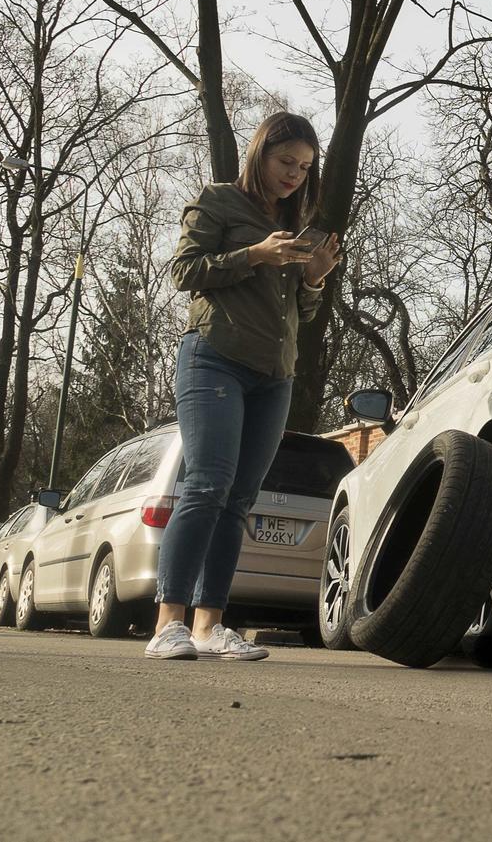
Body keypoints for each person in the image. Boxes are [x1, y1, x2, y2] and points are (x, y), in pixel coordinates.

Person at [147, 112, 342, 661]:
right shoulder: (218, 201)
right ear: (261, 153)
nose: (294, 176)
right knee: (207, 483)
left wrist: (312, 277)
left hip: (274, 375)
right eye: (286, 162)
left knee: (238, 500)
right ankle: (169, 624)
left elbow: (299, 313)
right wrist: (255, 254)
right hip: (215, 359)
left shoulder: (295, 220)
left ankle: (210, 626)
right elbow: (185, 272)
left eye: (305, 168)